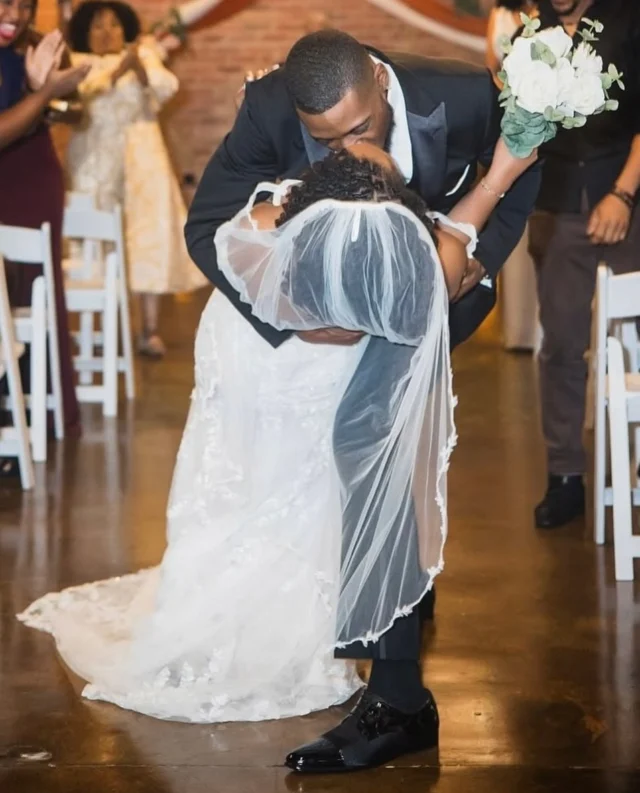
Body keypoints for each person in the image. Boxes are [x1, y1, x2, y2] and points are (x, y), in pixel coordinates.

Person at [18, 139, 535, 752]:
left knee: (246, 484)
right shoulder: (406, 259)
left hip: (251, 372)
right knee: (306, 480)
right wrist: (498, 180)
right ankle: (307, 625)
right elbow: (455, 256)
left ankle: (229, 602)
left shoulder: (264, 228)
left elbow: (235, 264)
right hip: (287, 385)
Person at [185, 30, 540, 771]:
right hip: (324, 305)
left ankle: (401, 700)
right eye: (325, 140)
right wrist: (299, 323)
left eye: (360, 130)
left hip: (441, 282)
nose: (346, 150)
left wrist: (475, 260)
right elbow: (205, 225)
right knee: (350, 448)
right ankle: (399, 592)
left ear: (381, 82)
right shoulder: (268, 109)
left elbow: (526, 166)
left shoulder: (467, 96)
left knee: (371, 432)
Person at [526, 0, 640, 529]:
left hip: (627, 195)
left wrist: (622, 194)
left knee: (635, 335)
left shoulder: (628, 16)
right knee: (562, 345)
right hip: (557, 202)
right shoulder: (533, 32)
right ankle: (566, 475)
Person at [65, 0, 207, 359]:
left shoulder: (145, 53)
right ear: (85, 31)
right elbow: (78, 96)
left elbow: (165, 88)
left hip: (143, 158)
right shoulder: (78, 61)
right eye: (98, 26)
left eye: (113, 25)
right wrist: (115, 73)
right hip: (95, 158)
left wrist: (138, 66)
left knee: (148, 238)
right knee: (93, 239)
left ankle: (149, 329)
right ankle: (91, 328)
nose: (107, 32)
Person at [0, 9, 89, 474]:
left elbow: (76, 110)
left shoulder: (39, 43)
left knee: (33, 286)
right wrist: (40, 93)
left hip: (31, 173)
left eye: (26, 4)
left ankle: (32, 409)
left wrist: (51, 94)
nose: (15, 13)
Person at [486, 0, 539, 352]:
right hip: (517, 118)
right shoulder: (503, 17)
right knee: (518, 232)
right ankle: (520, 331)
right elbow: (492, 67)